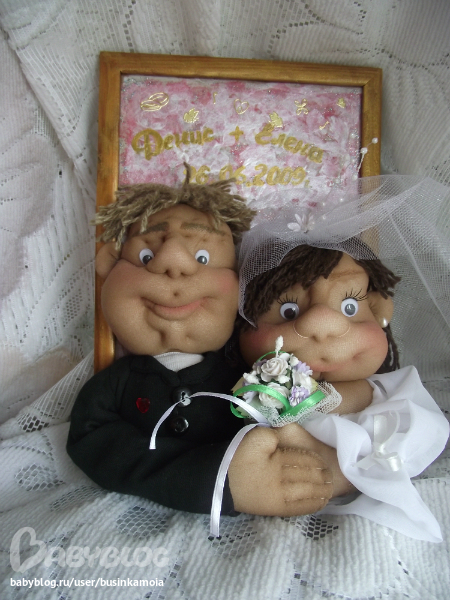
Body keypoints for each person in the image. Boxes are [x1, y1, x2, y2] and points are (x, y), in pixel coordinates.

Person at [66, 170, 335, 517]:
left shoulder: (245, 378)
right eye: (146, 257)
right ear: (108, 266)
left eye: (203, 258)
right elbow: (91, 440)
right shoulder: (115, 383)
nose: (174, 265)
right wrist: (220, 481)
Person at [234, 177, 450, 542]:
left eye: (349, 306)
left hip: (369, 443)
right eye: (288, 311)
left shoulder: (375, 387)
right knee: (271, 439)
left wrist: (313, 399)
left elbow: (358, 398)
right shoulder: (257, 382)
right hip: (280, 458)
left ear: (380, 312)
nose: (323, 325)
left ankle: (338, 476)